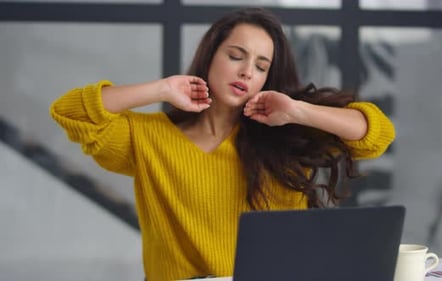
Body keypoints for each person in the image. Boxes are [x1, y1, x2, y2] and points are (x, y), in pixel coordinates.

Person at [50, 7, 395, 281]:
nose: (247, 72)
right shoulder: (149, 138)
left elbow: (376, 135)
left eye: (261, 66)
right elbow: (71, 111)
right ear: (210, 56)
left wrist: (298, 111)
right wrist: (161, 89)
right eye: (236, 56)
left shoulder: (284, 133)